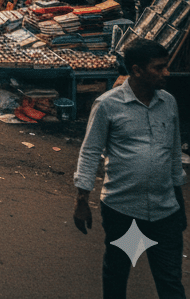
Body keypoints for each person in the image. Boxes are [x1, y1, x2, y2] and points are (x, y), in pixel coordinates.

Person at [74, 39, 187, 299]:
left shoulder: (168, 103)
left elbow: (172, 156)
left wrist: (179, 203)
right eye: (159, 68)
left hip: (165, 211)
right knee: (118, 272)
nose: (166, 73)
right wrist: (82, 200)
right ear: (137, 70)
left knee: (169, 280)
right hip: (124, 211)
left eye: (166, 67)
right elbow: (90, 151)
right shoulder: (108, 105)